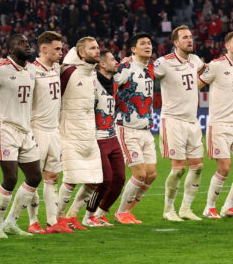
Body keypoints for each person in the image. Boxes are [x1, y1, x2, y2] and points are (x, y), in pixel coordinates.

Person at [0, 33, 42, 239]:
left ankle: (11, 222)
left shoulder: (32, 69)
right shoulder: (0, 69)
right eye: (21, 43)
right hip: (5, 128)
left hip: (25, 129)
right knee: (11, 177)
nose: (26, 45)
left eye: (27, 42)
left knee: (35, 177)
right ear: (9, 50)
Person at [198, 31, 233, 219]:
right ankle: (209, 207)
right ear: (227, 46)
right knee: (224, 168)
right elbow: (196, 85)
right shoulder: (216, 66)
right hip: (219, 124)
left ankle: (228, 207)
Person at [153, 25, 205, 222]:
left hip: (192, 121)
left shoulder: (195, 60)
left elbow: (203, 73)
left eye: (191, 37)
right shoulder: (163, 63)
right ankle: (168, 210)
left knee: (198, 167)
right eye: (185, 37)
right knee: (178, 168)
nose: (190, 40)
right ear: (175, 42)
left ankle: (186, 209)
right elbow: (147, 73)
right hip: (173, 121)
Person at [56, 37, 103, 230]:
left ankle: (72, 215)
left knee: (95, 180)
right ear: (81, 53)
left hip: (89, 134)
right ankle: (58, 218)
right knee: (71, 180)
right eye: (93, 48)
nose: (98, 51)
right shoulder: (68, 71)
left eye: (98, 47)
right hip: (70, 133)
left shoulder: (92, 74)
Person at [113, 33, 157, 224]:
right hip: (127, 127)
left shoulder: (150, 68)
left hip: (146, 129)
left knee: (151, 174)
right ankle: (121, 212)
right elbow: (110, 85)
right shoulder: (125, 67)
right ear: (133, 49)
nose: (148, 46)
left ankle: (129, 210)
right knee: (139, 173)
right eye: (143, 43)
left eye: (149, 43)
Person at [28, 31, 65, 233]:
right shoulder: (32, 70)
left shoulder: (56, 68)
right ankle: (33, 221)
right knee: (33, 178)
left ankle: (52, 222)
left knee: (52, 177)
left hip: (54, 130)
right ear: (44, 49)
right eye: (57, 49)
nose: (61, 52)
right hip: (37, 129)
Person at [83, 50, 124, 226]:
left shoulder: (114, 84)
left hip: (112, 136)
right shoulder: (92, 83)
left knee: (119, 178)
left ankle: (100, 214)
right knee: (105, 179)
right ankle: (88, 217)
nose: (117, 62)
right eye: (113, 59)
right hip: (97, 137)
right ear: (103, 64)